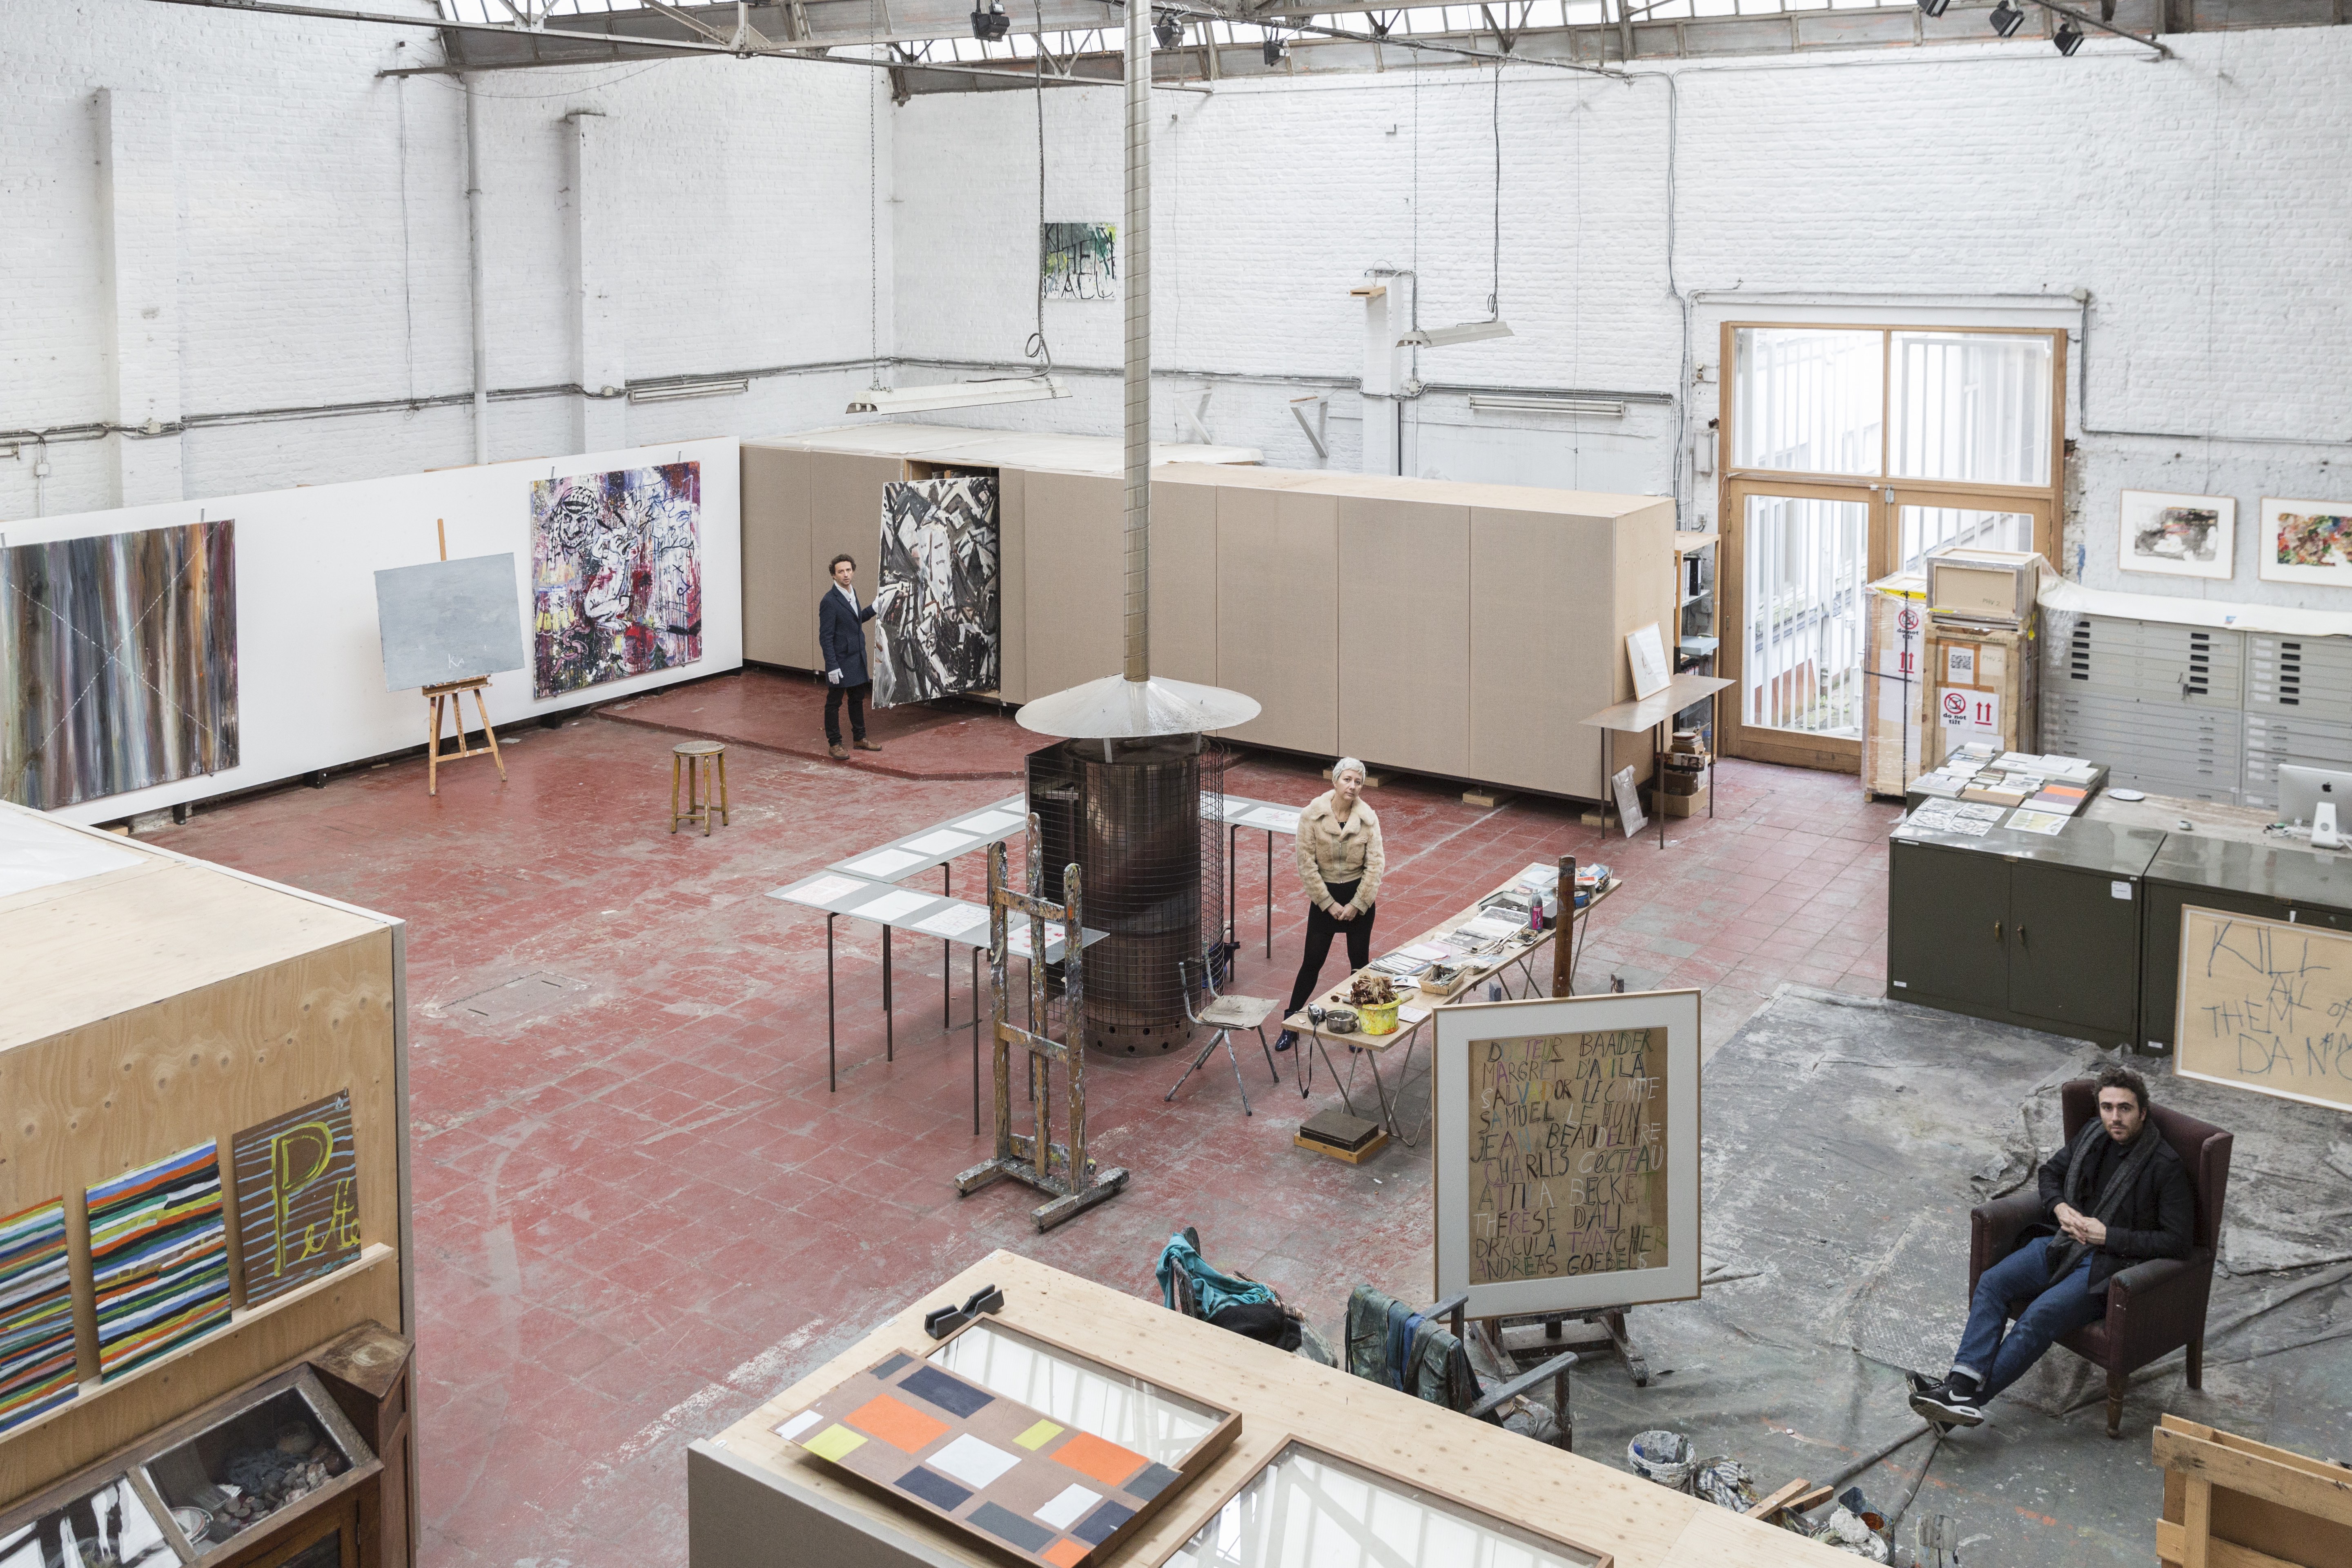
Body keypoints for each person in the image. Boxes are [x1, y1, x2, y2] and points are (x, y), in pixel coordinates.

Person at [1910, 1064, 2192, 1428]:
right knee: (1993, 1283)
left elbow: (2179, 1241)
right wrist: (2061, 1208)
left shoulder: (2164, 1166)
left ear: (2143, 1112)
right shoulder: (2093, 1134)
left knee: (2040, 1315)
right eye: (2108, 1107)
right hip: (2063, 1243)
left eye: (2125, 1108)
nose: (2115, 1117)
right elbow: (2050, 1174)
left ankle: (1961, 1402)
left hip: (2108, 1265)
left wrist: (2108, 1236)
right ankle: (1960, 1390)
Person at [1273, 758, 1385, 1053]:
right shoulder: (1312, 817)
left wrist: (1358, 904)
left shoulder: (1369, 819)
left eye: (1358, 782)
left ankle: (1359, 1028)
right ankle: (1291, 1025)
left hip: (1358, 899)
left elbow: (1375, 867)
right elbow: (1306, 864)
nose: (1352, 786)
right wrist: (1328, 903)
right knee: (1312, 962)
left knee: (1359, 964)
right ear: (1335, 781)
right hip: (1325, 901)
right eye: (1347, 779)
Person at [818, 554, 900, 761]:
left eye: (848, 570)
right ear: (833, 576)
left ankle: (860, 738)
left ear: (853, 571)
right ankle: (835, 743)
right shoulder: (829, 601)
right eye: (841, 572)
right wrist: (832, 666)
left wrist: (872, 609)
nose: (846, 575)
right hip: (840, 659)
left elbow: (855, 621)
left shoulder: (852, 593)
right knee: (834, 702)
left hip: (856, 657)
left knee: (857, 698)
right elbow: (826, 637)